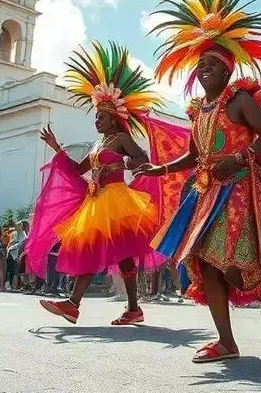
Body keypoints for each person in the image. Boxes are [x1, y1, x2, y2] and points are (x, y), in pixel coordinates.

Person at [135, 0, 261, 363]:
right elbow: (194, 156)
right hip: (206, 193)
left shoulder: (239, 101)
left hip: (241, 189)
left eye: (211, 64)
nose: (203, 70)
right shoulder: (198, 111)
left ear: (227, 70)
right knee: (206, 264)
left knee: (234, 265)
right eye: (200, 66)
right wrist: (160, 169)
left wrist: (239, 157)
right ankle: (226, 341)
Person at [29, 41, 162, 326]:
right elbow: (78, 170)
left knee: (103, 251)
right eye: (96, 116)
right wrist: (57, 148)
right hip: (96, 201)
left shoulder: (121, 139)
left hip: (116, 200)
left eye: (101, 117)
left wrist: (121, 164)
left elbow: (143, 159)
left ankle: (74, 304)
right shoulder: (96, 145)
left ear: (113, 119)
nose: (97, 121)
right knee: (120, 256)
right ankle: (132, 309)